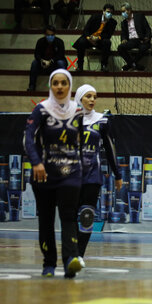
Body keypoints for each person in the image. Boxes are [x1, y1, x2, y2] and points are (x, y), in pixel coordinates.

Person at [22, 69, 85, 278]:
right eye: (55, 83)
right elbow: (28, 138)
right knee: (46, 219)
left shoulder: (78, 110)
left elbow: (80, 140)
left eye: (63, 83)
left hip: (71, 172)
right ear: (50, 86)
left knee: (68, 216)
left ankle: (71, 260)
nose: (59, 87)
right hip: (44, 174)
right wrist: (36, 163)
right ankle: (48, 263)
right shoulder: (41, 110)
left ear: (69, 86)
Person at [74, 84, 122, 258]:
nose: (92, 100)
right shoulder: (68, 119)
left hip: (92, 176)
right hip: (70, 176)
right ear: (79, 98)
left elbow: (110, 149)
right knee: (70, 217)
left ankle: (79, 255)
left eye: (94, 96)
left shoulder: (102, 120)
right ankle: (70, 251)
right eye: (88, 96)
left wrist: (117, 175)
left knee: (87, 215)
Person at [73, 3, 117, 72]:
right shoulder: (94, 17)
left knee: (107, 42)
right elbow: (86, 29)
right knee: (81, 42)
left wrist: (98, 38)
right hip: (89, 38)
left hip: (100, 40)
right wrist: (89, 38)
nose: (110, 14)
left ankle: (104, 65)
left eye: (111, 12)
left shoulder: (113, 22)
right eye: (108, 12)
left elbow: (108, 35)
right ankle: (80, 66)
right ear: (103, 11)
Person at [27, 25, 67, 91]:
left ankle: (63, 85)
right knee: (34, 63)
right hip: (43, 63)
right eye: (48, 35)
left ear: (55, 34)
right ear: (45, 34)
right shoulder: (40, 41)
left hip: (55, 63)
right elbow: (36, 54)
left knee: (61, 63)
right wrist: (42, 60)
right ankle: (32, 85)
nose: (50, 37)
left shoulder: (59, 42)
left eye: (52, 35)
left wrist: (51, 61)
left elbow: (61, 55)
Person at [118, 2, 152, 72]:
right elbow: (123, 33)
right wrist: (124, 39)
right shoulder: (123, 22)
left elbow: (147, 29)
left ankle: (130, 65)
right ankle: (135, 65)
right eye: (121, 12)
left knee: (144, 48)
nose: (122, 13)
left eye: (123, 11)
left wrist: (147, 37)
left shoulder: (139, 16)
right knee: (120, 47)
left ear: (129, 10)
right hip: (131, 41)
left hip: (142, 40)